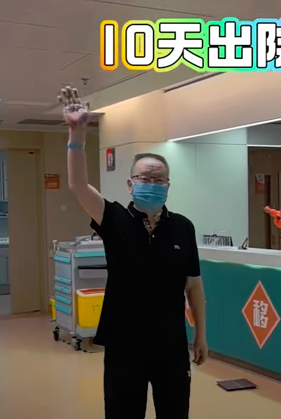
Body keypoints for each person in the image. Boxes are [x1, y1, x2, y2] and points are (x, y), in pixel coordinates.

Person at [59, 86, 208, 419]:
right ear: (130, 184)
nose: (152, 184)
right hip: (124, 345)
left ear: (168, 186)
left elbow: (194, 285)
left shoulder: (183, 226)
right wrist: (77, 135)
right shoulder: (113, 218)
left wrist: (201, 335)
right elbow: (78, 185)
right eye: (144, 178)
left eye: (159, 180)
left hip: (171, 345)